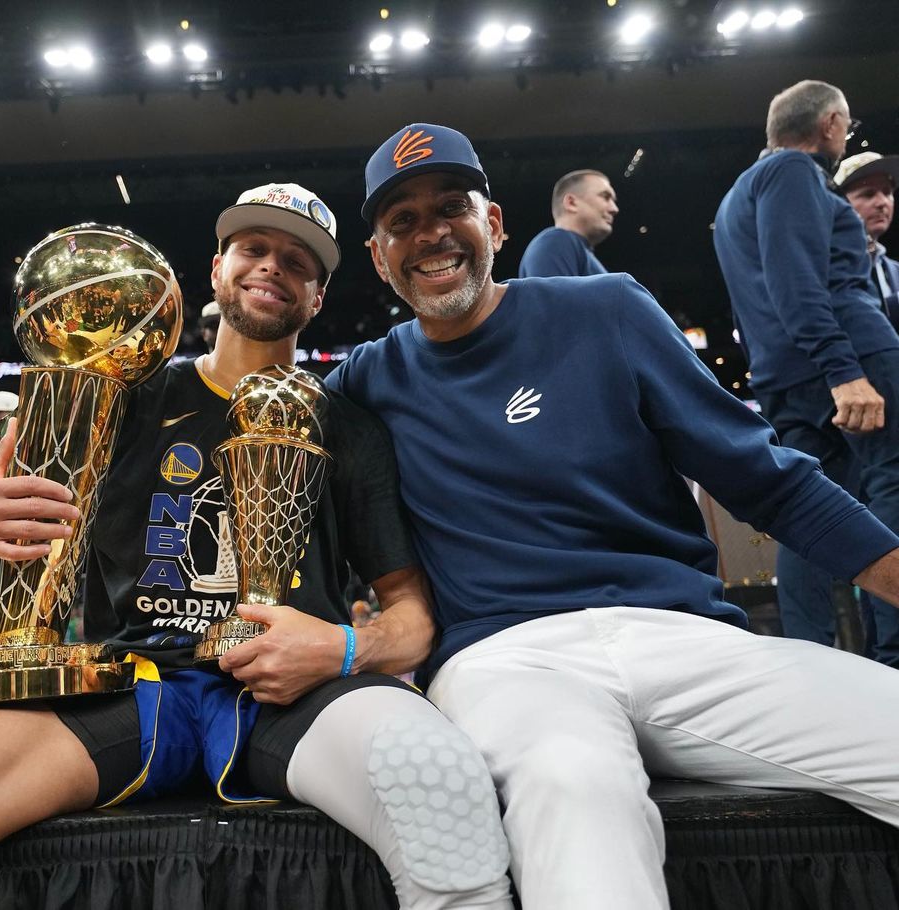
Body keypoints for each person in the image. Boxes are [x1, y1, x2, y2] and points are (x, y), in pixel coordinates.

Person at [0, 183, 511, 910]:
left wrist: (341, 648)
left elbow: (412, 619)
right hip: (135, 686)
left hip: (293, 693)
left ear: (317, 296)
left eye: (297, 262)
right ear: (216, 270)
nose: (272, 266)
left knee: (431, 773)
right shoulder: (118, 396)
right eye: (254, 249)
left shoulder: (348, 425)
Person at [329, 121, 899, 910]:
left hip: (685, 638)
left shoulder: (606, 308)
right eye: (401, 222)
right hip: (507, 657)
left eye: (450, 207)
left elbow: (768, 480)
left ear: (493, 224)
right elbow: (239, 430)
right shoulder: (366, 380)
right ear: (379, 257)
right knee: (574, 787)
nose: (430, 234)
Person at [713, 81, 899, 667]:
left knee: (810, 514)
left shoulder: (736, 194)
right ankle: (891, 656)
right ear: (831, 124)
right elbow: (797, 282)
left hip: (785, 374)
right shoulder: (794, 173)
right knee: (892, 489)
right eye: (846, 126)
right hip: (848, 355)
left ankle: (813, 665)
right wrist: (843, 370)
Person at [835, 151, 899, 329]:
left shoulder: (895, 271)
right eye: (868, 194)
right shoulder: (825, 269)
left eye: (887, 192)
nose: (882, 202)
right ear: (840, 203)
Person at [518, 169, 617, 277]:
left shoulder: (575, 250)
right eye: (605, 197)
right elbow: (552, 294)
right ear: (571, 203)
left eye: (613, 201)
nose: (614, 209)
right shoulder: (556, 242)